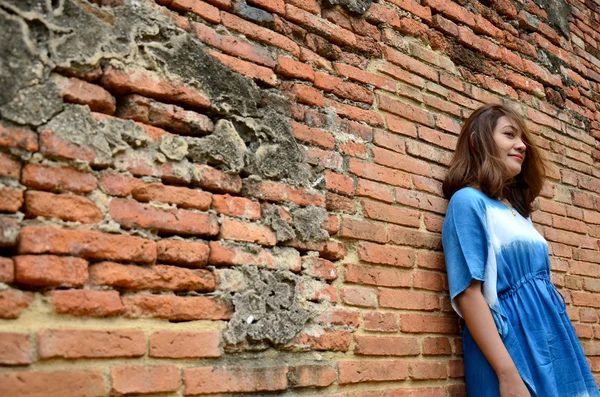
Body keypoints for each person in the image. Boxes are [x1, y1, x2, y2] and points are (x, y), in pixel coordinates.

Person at [441, 103, 600, 397]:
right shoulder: (468, 202)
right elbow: (468, 293)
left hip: (552, 340)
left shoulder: (518, 213)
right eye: (509, 134)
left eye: (523, 138)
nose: (522, 145)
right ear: (478, 141)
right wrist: (507, 374)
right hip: (512, 345)